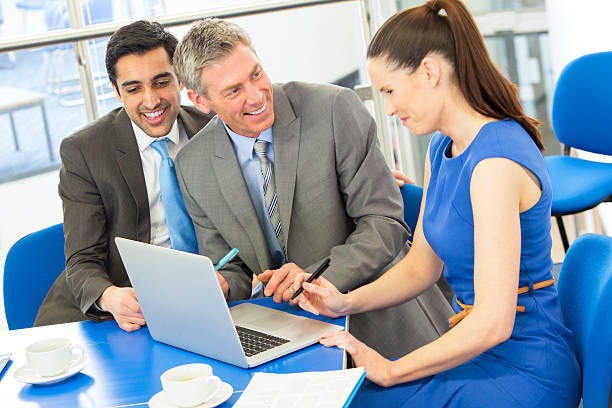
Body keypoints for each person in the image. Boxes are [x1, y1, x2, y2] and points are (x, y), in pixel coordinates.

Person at [290, 1, 581, 406]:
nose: (388, 109)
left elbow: (495, 323)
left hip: (523, 365)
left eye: (390, 90)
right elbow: (421, 266)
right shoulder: (442, 145)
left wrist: (391, 369)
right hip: (470, 345)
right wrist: (346, 300)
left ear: (429, 72)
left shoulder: (495, 164)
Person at [172, 18, 453, 358]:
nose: (257, 95)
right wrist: (223, 283)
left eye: (256, 74)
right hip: (285, 334)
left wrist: (313, 276)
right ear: (200, 101)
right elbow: (230, 263)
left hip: (381, 315)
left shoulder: (334, 109)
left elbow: (385, 223)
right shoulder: (193, 164)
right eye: (234, 90)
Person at [35, 21, 214, 331]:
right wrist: (109, 297)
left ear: (180, 80)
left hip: (198, 301)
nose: (151, 100)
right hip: (113, 312)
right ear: (117, 91)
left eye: (161, 82)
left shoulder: (212, 130)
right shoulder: (85, 151)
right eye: (133, 88)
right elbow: (81, 261)